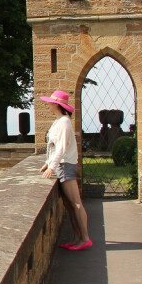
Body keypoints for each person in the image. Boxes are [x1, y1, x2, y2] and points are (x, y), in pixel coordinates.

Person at [39, 89, 91, 251]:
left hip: (65, 165)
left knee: (76, 203)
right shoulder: (60, 121)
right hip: (62, 164)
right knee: (70, 204)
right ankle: (77, 238)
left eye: (49, 102)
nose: (47, 104)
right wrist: (48, 163)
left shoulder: (64, 122)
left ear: (56, 104)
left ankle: (85, 238)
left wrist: (52, 166)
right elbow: (54, 148)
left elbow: (61, 148)